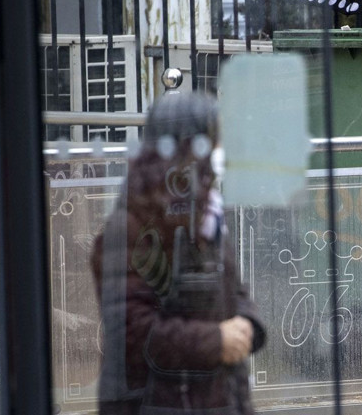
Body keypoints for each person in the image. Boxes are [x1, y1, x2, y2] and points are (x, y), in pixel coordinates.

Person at [91, 91, 266, 415]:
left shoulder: (207, 214)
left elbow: (233, 289)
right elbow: (131, 330)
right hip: (157, 402)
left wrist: (248, 325)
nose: (221, 150)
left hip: (215, 398)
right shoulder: (131, 225)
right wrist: (216, 341)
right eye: (213, 140)